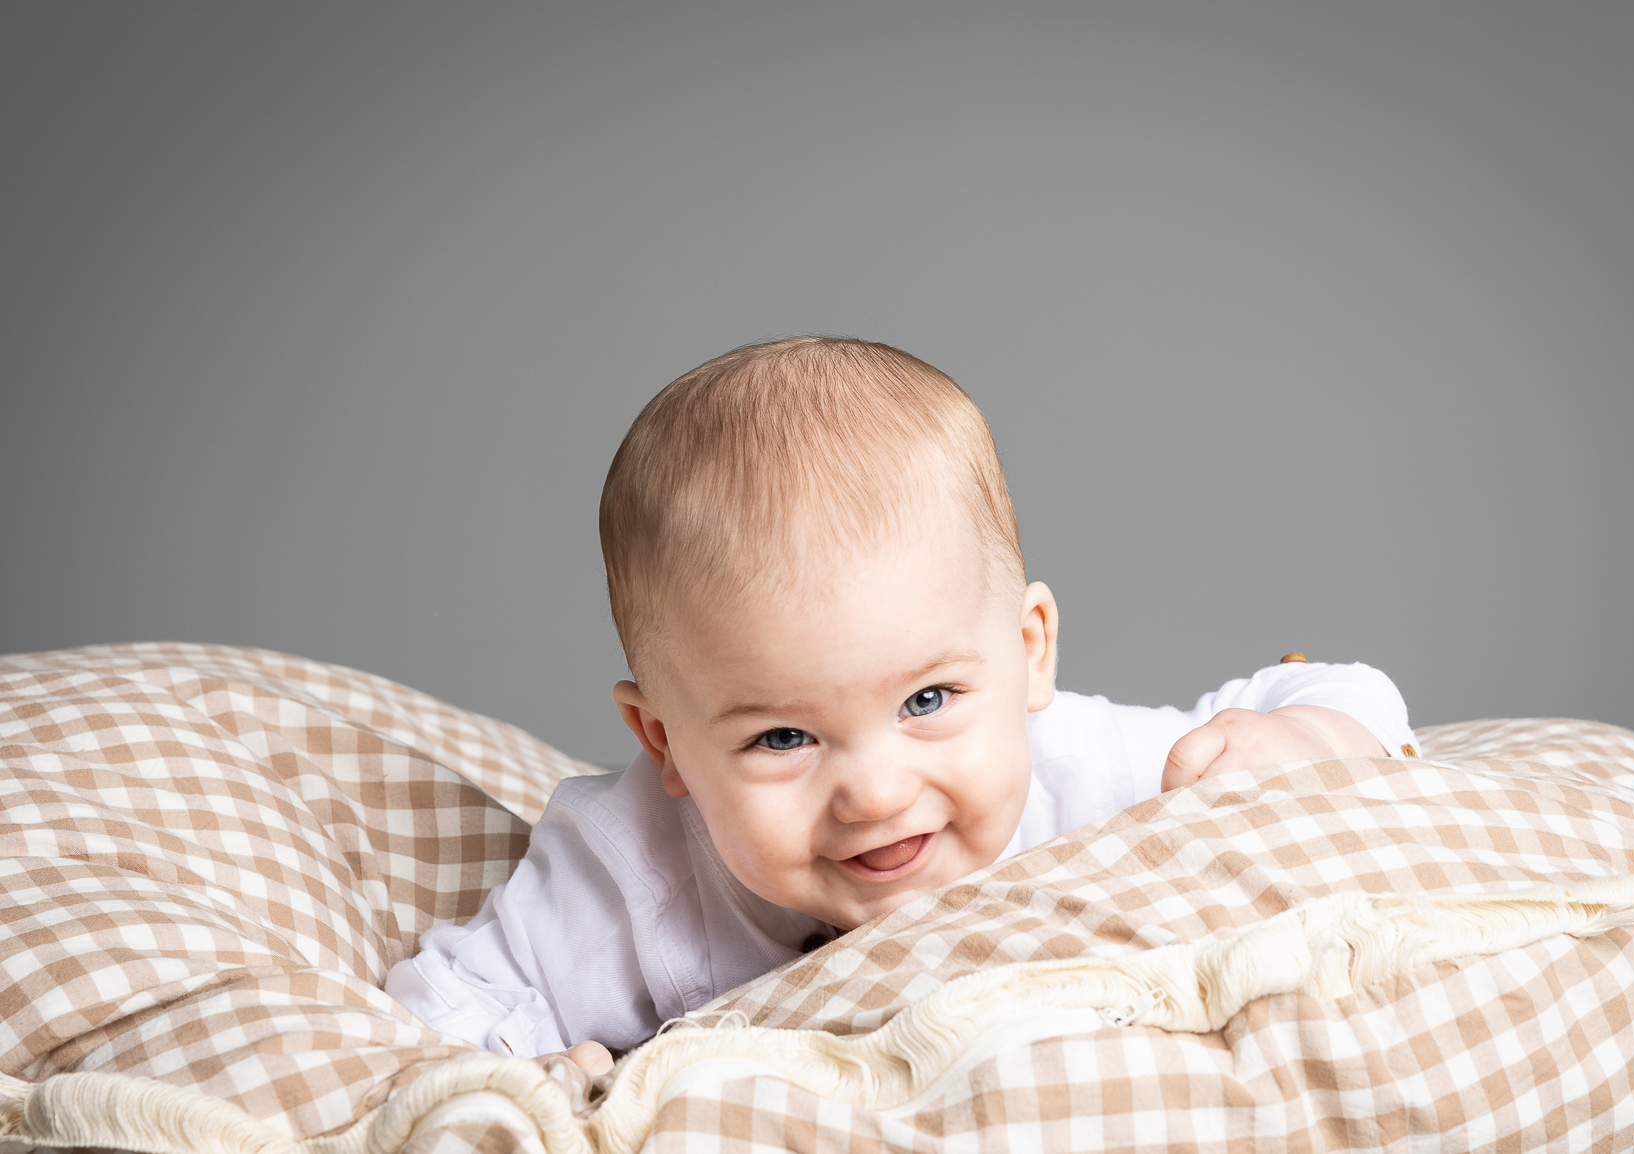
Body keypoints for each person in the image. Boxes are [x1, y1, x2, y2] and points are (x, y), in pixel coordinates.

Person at [384, 336, 1418, 1080]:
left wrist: (1305, 737)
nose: (876, 790)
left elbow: (1344, 690)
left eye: (928, 697)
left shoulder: (1085, 767)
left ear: (1027, 651)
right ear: (667, 741)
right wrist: (520, 1078)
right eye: (783, 735)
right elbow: (439, 1018)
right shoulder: (632, 871)